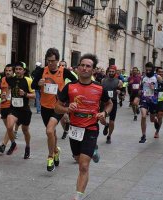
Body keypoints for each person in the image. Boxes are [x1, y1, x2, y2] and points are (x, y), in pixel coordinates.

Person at [55, 53, 113, 200]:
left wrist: (104, 113)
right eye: (82, 65)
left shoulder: (99, 88)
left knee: (83, 165)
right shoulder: (70, 87)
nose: (85, 68)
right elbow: (56, 107)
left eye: (88, 66)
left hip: (91, 128)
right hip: (74, 129)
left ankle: (78, 196)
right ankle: (93, 150)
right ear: (78, 68)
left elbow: (109, 103)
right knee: (76, 157)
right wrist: (67, 109)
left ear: (93, 70)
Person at [32, 48, 77, 172]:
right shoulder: (42, 71)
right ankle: (56, 151)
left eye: (53, 61)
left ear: (58, 60)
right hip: (45, 107)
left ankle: (50, 156)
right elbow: (33, 85)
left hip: (57, 107)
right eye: (49, 61)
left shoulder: (64, 71)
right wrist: (38, 84)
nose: (51, 63)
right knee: (52, 133)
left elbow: (76, 82)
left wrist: (67, 97)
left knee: (49, 131)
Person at [4, 62, 35, 158]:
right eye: (16, 69)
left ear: (24, 70)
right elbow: (7, 86)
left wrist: (25, 94)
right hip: (13, 108)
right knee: (9, 127)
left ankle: (28, 146)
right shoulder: (10, 80)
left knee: (25, 130)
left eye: (20, 69)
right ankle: (13, 144)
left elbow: (34, 96)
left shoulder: (29, 80)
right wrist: (4, 94)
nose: (18, 71)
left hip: (25, 110)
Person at [137, 62, 163, 143]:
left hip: (153, 100)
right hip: (144, 99)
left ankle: (155, 120)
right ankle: (143, 135)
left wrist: (154, 89)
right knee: (143, 116)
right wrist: (140, 92)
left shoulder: (157, 77)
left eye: (149, 70)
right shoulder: (143, 77)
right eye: (146, 70)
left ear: (153, 70)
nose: (148, 71)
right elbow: (141, 87)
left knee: (151, 119)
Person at [101, 65, 123, 144]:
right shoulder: (103, 80)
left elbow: (122, 93)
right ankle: (106, 125)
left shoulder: (119, 81)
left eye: (112, 71)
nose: (111, 73)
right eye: (110, 71)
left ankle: (109, 136)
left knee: (112, 122)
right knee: (101, 118)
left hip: (113, 102)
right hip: (104, 102)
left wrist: (120, 92)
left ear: (115, 72)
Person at [0, 64, 14, 153]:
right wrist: (1, 95)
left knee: (9, 127)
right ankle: (13, 143)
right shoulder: (1, 80)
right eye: (6, 71)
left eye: (10, 70)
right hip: (3, 106)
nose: (8, 72)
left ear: (13, 72)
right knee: (8, 128)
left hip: (13, 107)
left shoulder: (16, 81)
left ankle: (3, 145)